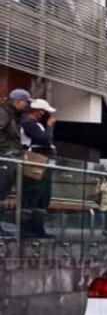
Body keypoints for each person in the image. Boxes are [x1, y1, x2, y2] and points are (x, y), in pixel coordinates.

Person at [20, 97, 56, 238]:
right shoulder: (28, 124)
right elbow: (44, 139)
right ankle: (28, 230)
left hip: (43, 164)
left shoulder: (37, 125)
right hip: (35, 163)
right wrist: (50, 126)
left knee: (42, 197)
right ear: (38, 112)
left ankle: (38, 228)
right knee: (33, 195)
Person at [0, 90, 29, 230]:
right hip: (5, 159)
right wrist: (6, 150)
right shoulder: (3, 113)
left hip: (9, 159)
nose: (26, 105)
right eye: (26, 102)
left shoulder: (12, 115)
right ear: (18, 100)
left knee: (4, 191)